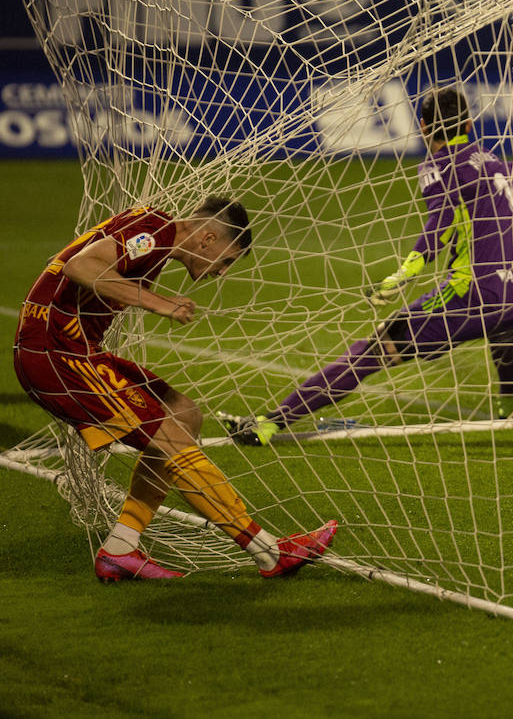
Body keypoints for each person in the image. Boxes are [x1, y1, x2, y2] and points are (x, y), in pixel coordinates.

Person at [222, 86, 513, 445]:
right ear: (469, 124)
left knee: (373, 349)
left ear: (422, 126)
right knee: (506, 321)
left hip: (475, 296)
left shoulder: (437, 167)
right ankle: (505, 404)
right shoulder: (502, 163)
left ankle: (269, 424)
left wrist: (402, 275)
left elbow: (438, 226)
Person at [13, 197, 338, 582]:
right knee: (170, 439)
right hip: (57, 355)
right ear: (208, 239)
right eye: (227, 260)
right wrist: (159, 304)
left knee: (183, 415)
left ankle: (120, 550)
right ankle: (269, 553)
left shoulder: (154, 233)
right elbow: (80, 265)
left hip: (74, 351)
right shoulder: (157, 232)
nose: (222, 272)